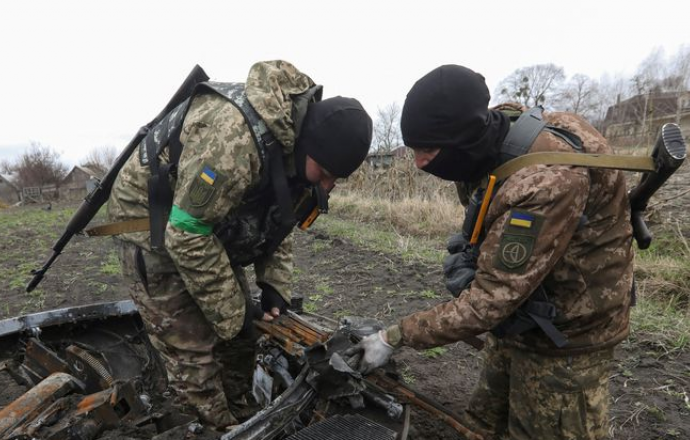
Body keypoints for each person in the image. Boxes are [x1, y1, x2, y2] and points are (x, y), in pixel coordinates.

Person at [347, 65, 633, 440]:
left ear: (462, 140)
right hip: (524, 322)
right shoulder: (497, 131)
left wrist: (394, 337)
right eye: (414, 149)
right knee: (484, 426)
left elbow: (487, 303)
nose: (419, 163)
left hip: (566, 342)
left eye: (428, 150)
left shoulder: (546, 182)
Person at [107, 60, 373, 428]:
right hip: (151, 222)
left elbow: (280, 217)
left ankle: (243, 412)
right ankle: (213, 426)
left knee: (239, 334)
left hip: (204, 223)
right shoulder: (233, 141)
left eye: (335, 180)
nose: (325, 186)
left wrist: (273, 285)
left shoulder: (295, 146)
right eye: (324, 174)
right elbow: (185, 233)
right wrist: (234, 309)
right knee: (195, 350)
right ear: (307, 145)